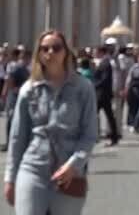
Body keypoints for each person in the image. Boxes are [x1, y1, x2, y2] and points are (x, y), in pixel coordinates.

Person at [4, 30, 98, 215]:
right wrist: (10, 178)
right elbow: (17, 138)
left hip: (68, 173)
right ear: (38, 54)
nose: (50, 53)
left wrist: (74, 165)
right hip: (33, 169)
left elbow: (89, 134)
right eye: (44, 48)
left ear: (66, 52)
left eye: (56, 48)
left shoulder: (83, 88)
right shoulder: (29, 89)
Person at [2, 47, 31, 153]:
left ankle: (14, 142)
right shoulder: (16, 67)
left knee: (17, 120)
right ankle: (9, 142)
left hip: (19, 97)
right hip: (14, 97)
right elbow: (9, 81)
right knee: (11, 119)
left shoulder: (26, 69)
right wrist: (9, 91)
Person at [91, 45, 120, 146]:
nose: (94, 53)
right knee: (108, 115)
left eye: (95, 51)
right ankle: (113, 136)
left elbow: (104, 79)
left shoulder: (105, 63)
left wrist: (94, 85)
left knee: (94, 115)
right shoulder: (102, 62)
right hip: (102, 93)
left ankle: (110, 136)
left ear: (101, 52)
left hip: (102, 94)